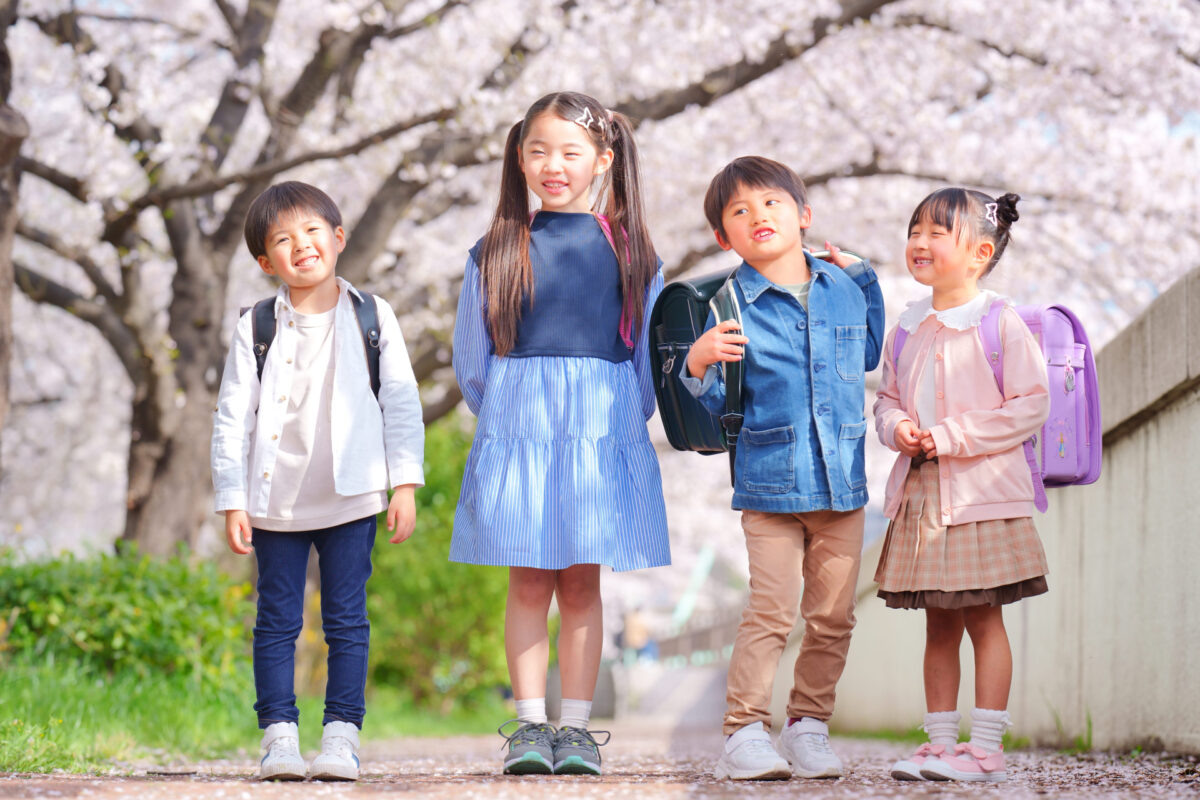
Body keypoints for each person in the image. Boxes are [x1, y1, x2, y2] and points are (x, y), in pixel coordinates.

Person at [450, 91, 670, 777]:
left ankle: (575, 729)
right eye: (539, 151)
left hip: (598, 434)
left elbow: (644, 368)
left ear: (602, 159)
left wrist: (609, 425)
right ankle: (528, 725)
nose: (554, 165)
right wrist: (516, 417)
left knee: (581, 585)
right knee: (527, 582)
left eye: (572, 152)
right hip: (520, 428)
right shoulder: (496, 249)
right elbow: (472, 361)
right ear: (519, 157)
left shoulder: (631, 252)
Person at [211, 181, 425, 781]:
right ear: (265, 261)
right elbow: (232, 414)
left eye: (311, 232)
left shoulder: (371, 315)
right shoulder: (256, 324)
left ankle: (341, 737)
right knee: (276, 620)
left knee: (346, 620)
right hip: (274, 501)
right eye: (283, 240)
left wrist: (404, 483)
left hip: (352, 495)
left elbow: (401, 402)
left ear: (338, 238)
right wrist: (232, 500)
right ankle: (279, 736)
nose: (300, 246)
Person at [681, 156, 884, 781]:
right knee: (771, 610)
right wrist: (697, 365)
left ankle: (808, 725)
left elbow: (872, 350)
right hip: (769, 482)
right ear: (724, 237)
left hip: (841, 482)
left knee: (833, 615)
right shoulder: (726, 301)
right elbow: (717, 409)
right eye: (739, 212)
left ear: (804, 215)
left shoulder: (843, 286)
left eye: (770, 203)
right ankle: (744, 730)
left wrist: (868, 279)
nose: (757, 217)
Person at [873, 189, 1050, 783]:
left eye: (936, 232)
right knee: (939, 623)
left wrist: (952, 435)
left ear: (978, 252)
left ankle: (986, 748)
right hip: (925, 497)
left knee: (984, 620)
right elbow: (888, 400)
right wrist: (896, 427)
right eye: (914, 229)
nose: (919, 242)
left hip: (981, 497)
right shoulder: (905, 328)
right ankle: (940, 745)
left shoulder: (999, 322)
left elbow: (1032, 405)